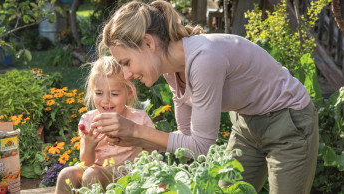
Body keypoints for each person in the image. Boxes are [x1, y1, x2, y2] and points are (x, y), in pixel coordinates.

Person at [91, 1, 319, 193]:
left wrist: (135, 129)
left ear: (149, 43)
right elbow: (186, 139)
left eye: (126, 63)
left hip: (289, 122)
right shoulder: (171, 69)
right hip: (246, 124)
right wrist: (136, 139)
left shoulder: (203, 60)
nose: (127, 75)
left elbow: (201, 146)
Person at [55, 56, 155, 194]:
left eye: (114, 94)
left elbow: (153, 154)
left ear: (129, 92)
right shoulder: (89, 120)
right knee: (67, 174)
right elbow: (86, 163)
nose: (105, 100)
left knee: (92, 175)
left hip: (126, 177)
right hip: (95, 171)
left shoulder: (139, 119)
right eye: (99, 93)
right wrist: (89, 146)